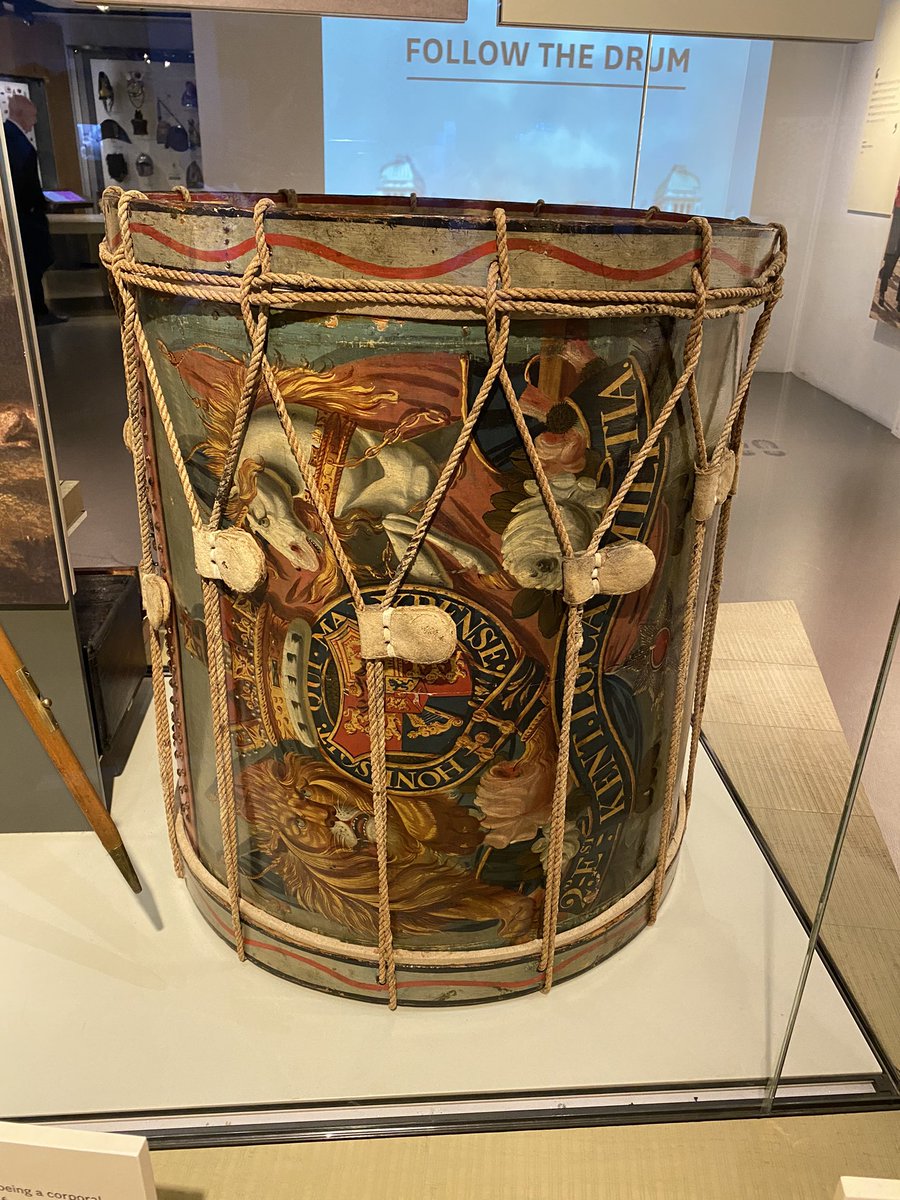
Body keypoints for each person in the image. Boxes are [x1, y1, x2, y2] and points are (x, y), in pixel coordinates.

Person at [2, 95, 66, 325]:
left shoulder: (12, 137)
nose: (35, 120)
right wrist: (38, 204)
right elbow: (22, 183)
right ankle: (36, 312)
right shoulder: (15, 141)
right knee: (31, 264)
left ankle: (38, 310)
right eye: (33, 115)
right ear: (20, 113)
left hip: (25, 213)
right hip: (25, 216)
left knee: (32, 265)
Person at [877, 178, 900, 311]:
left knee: (890, 263)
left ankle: (898, 302)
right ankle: (882, 292)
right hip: (897, 213)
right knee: (889, 264)